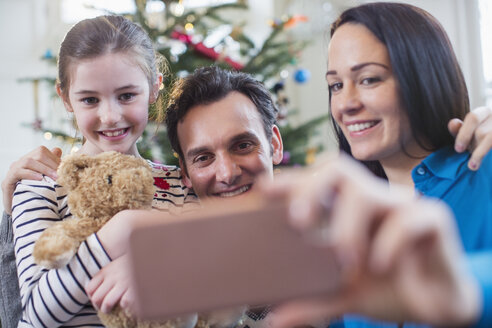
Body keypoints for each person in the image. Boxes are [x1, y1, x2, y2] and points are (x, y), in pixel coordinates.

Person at [263, 2, 492, 328]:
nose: (346, 104)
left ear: (424, 77)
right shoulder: (345, 218)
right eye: (336, 85)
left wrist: (465, 293)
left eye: (369, 79)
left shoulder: (485, 170)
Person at [6, 15, 198, 328]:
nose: (109, 116)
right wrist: (124, 228)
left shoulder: (179, 184)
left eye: (126, 95)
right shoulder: (40, 187)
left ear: (153, 89)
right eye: (90, 100)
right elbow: (37, 313)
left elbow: (204, 281)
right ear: (66, 98)